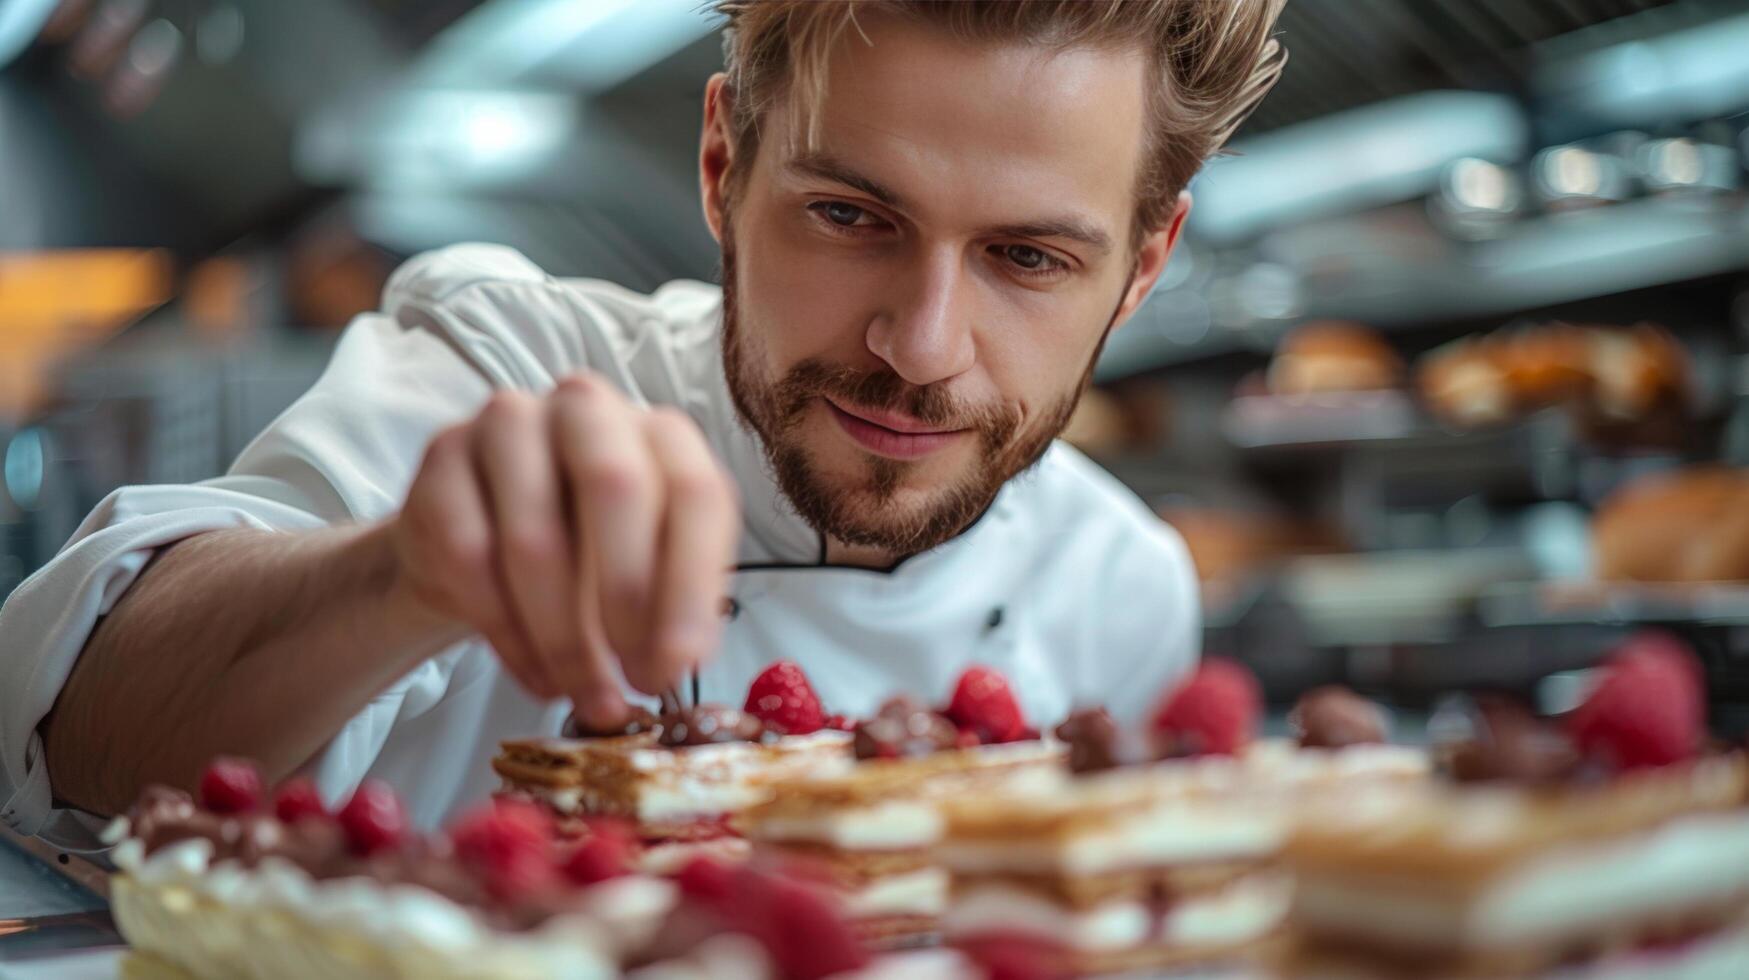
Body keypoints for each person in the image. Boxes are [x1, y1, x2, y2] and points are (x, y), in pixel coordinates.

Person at [0, 0, 1287, 846]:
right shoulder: (506, 368)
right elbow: (77, 729)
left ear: (1143, 264)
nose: (921, 347)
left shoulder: (1122, 590)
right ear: (726, 167)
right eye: (849, 216)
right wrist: (398, 572)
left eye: (1028, 258)